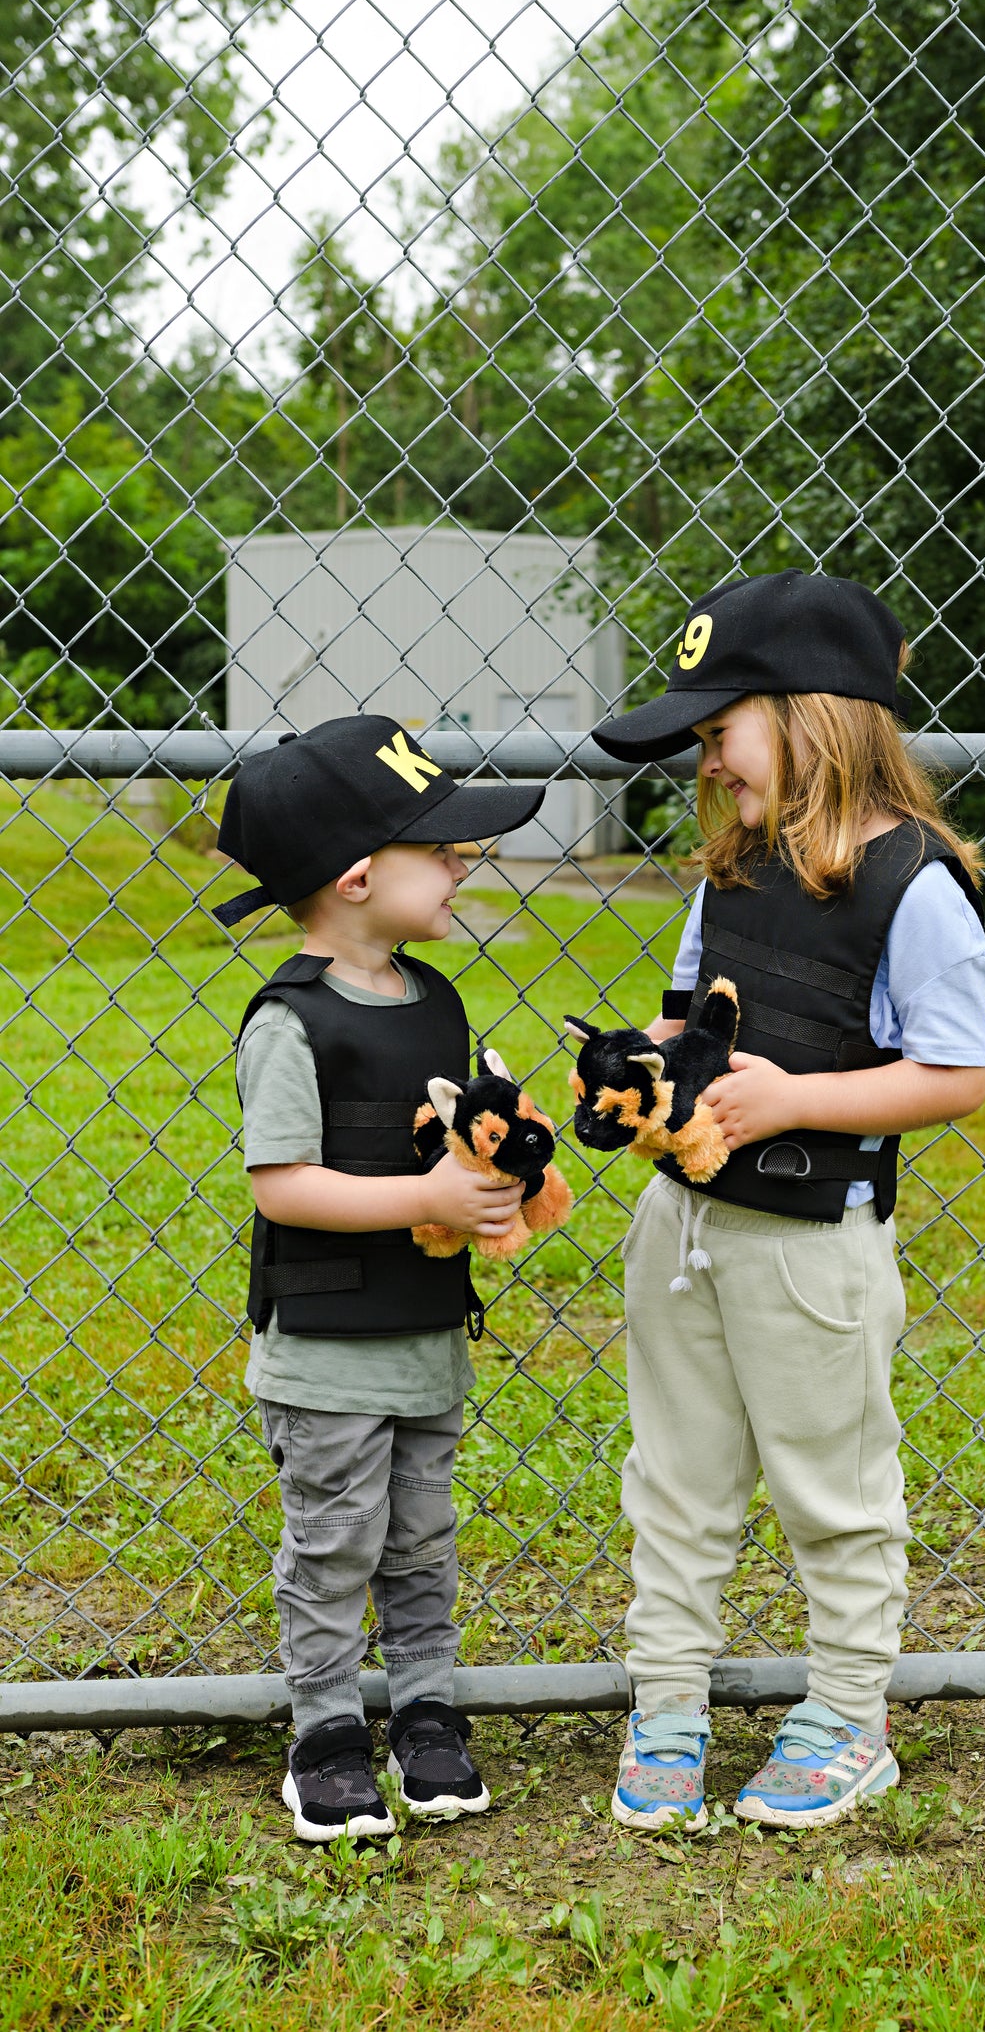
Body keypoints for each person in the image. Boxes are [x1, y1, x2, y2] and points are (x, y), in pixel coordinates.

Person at [588, 571, 985, 1832]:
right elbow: (683, 1015)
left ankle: (845, 1716)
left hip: (814, 1244)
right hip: (684, 1230)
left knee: (832, 1486)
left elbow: (957, 1076)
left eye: (721, 729)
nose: (706, 761)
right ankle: (666, 1704)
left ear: (814, 716)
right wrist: (626, 1068)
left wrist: (799, 1101)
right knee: (675, 1476)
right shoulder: (730, 874)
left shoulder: (911, 884)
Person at [213, 715, 544, 1843]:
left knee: (419, 1539)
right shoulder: (292, 1024)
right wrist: (427, 1204)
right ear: (357, 877)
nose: (463, 865)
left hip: (422, 1340)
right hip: (325, 1352)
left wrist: (501, 1170)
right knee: (333, 1542)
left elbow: (449, 1142)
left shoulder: (438, 1004)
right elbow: (285, 1188)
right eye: (439, 848)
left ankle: (426, 1714)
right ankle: (324, 1735)